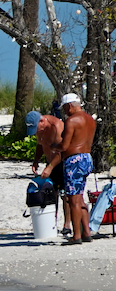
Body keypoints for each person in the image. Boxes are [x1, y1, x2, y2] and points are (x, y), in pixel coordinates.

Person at [45, 93, 97, 244]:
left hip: (74, 160)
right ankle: (87, 232)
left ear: (69, 106)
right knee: (80, 198)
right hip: (87, 158)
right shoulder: (90, 120)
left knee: (72, 199)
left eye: (65, 108)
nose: (65, 111)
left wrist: (53, 146)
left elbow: (65, 146)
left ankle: (76, 235)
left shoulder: (72, 120)